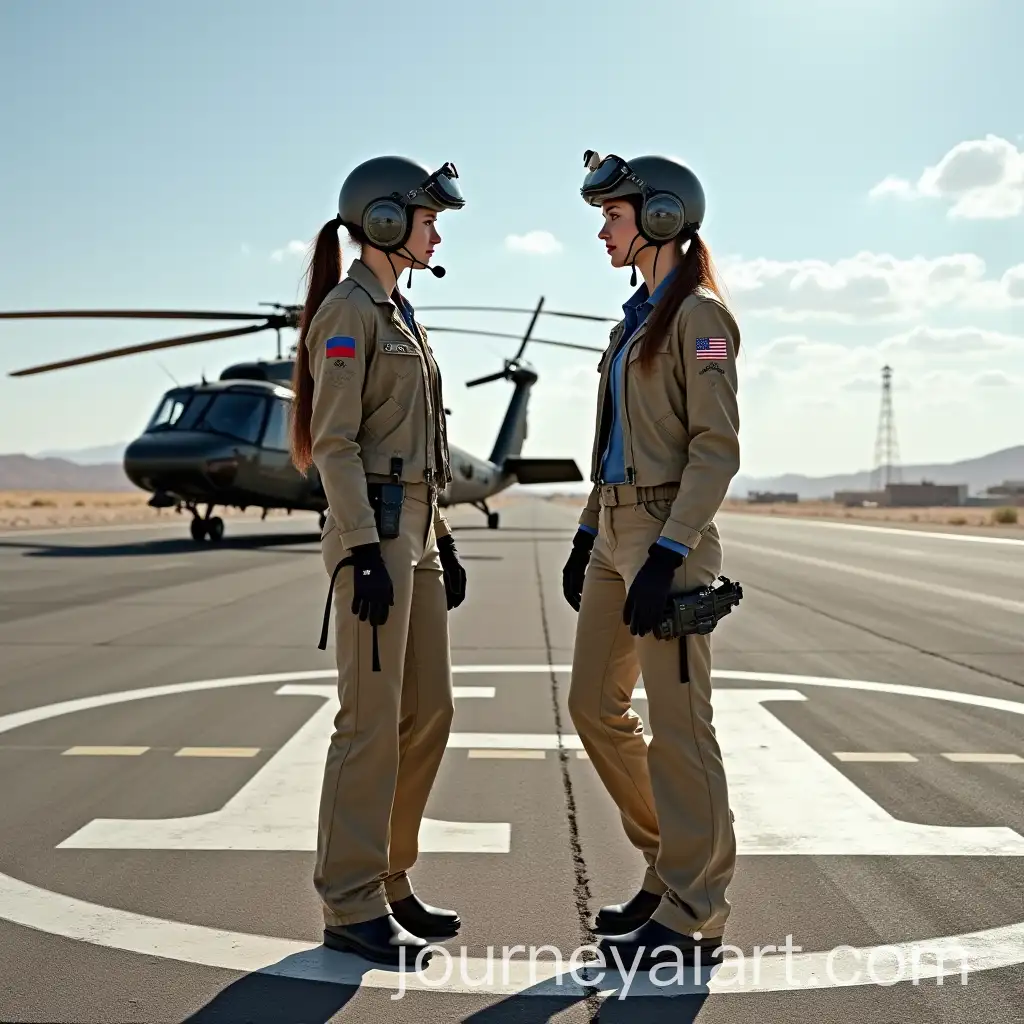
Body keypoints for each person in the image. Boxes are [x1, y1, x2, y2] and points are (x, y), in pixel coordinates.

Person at [562, 151, 741, 969]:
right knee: (594, 705)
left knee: (679, 728)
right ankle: (668, 866)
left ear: (660, 217)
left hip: (671, 532)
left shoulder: (698, 317)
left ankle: (697, 910)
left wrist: (669, 553)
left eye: (614, 214)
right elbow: (611, 445)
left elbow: (716, 448)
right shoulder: (632, 319)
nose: (603, 228)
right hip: (614, 529)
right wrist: (586, 531)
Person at [289, 155, 469, 966]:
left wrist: (448, 540)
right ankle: (350, 902)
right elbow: (334, 443)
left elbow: (424, 436)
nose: (435, 232)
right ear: (387, 222)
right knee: (368, 724)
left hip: (420, 532)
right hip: (377, 533)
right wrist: (361, 548)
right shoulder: (348, 312)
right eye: (427, 218)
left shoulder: (401, 313)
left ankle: (391, 877)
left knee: (430, 711)